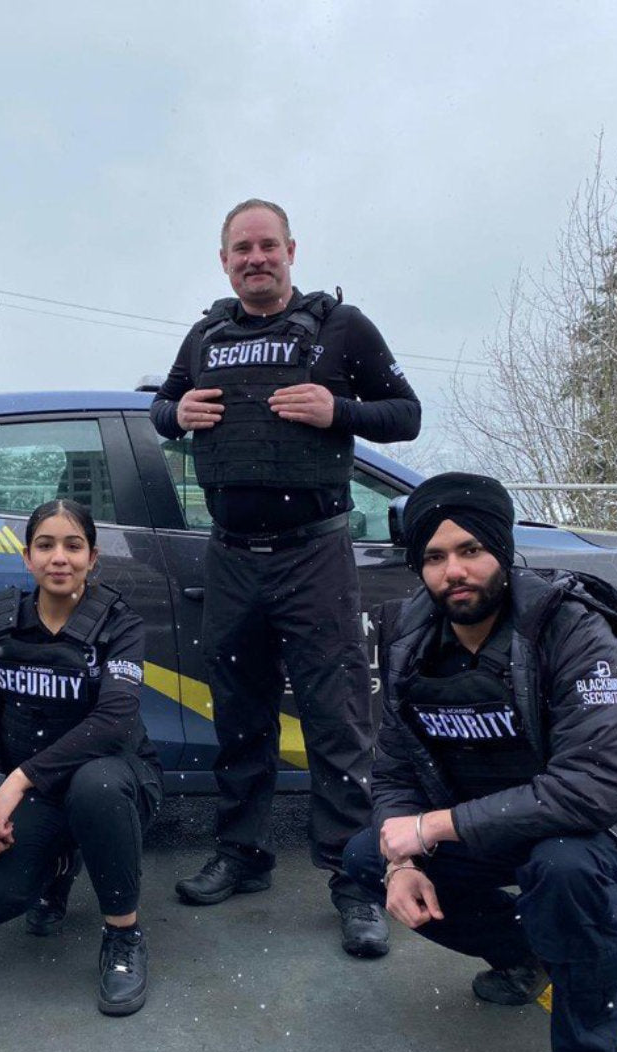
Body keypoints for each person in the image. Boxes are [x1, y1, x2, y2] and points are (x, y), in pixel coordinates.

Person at [151, 197, 420, 956]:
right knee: (238, 713)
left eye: (267, 246)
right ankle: (242, 853)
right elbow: (161, 410)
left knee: (338, 720)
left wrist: (339, 408)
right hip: (231, 553)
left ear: (291, 250)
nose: (255, 258)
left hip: (315, 554)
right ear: (225, 259)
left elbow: (406, 414)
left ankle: (354, 879)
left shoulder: (343, 328)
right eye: (242, 248)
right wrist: (177, 416)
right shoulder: (206, 333)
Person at [343, 472, 617, 1052]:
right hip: (489, 823)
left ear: (502, 552)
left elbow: (595, 787)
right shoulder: (409, 638)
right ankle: (526, 955)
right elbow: (396, 767)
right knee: (365, 858)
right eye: (434, 556)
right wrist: (403, 860)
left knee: (564, 870)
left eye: (470, 550)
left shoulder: (571, 629)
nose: (453, 571)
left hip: (599, 827)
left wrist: (434, 826)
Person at [0, 500, 163, 1016]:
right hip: (44, 794)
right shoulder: (3, 627)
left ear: (93, 558)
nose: (59, 558)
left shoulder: (121, 625)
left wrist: (18, 779)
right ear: (27, 557)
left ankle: (123, 933)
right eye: (45, 545)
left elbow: (114, 723)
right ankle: (59, 866)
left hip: (118, 784)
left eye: (73, 546)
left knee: (94, 785)